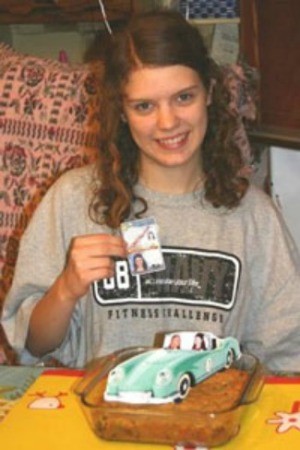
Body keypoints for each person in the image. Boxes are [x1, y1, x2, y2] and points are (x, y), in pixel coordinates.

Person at [1, 10, 300, 370]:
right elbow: (32, 346)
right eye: (144, 106)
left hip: (213, 418)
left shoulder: (255, 217)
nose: (168, 122)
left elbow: (288, 358)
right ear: (122, 112)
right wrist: (65, 288)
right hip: (100, 417)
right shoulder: (72, 201)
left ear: (209, 91)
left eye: (183, 97)